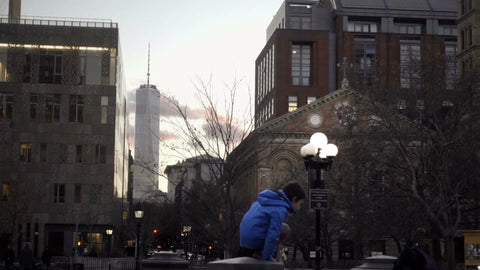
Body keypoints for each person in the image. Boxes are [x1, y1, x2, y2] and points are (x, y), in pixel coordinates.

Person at [239, 181, 306, 261]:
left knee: (279, 228)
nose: (299, 208)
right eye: (300, 204)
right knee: (285, 228)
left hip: (244, 242)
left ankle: (261, 252)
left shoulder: (264, 200)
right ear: (294, 199)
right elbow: (273, 234)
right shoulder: (280, 209)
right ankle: (265, 254)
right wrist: (267, 257)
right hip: (255, 243)